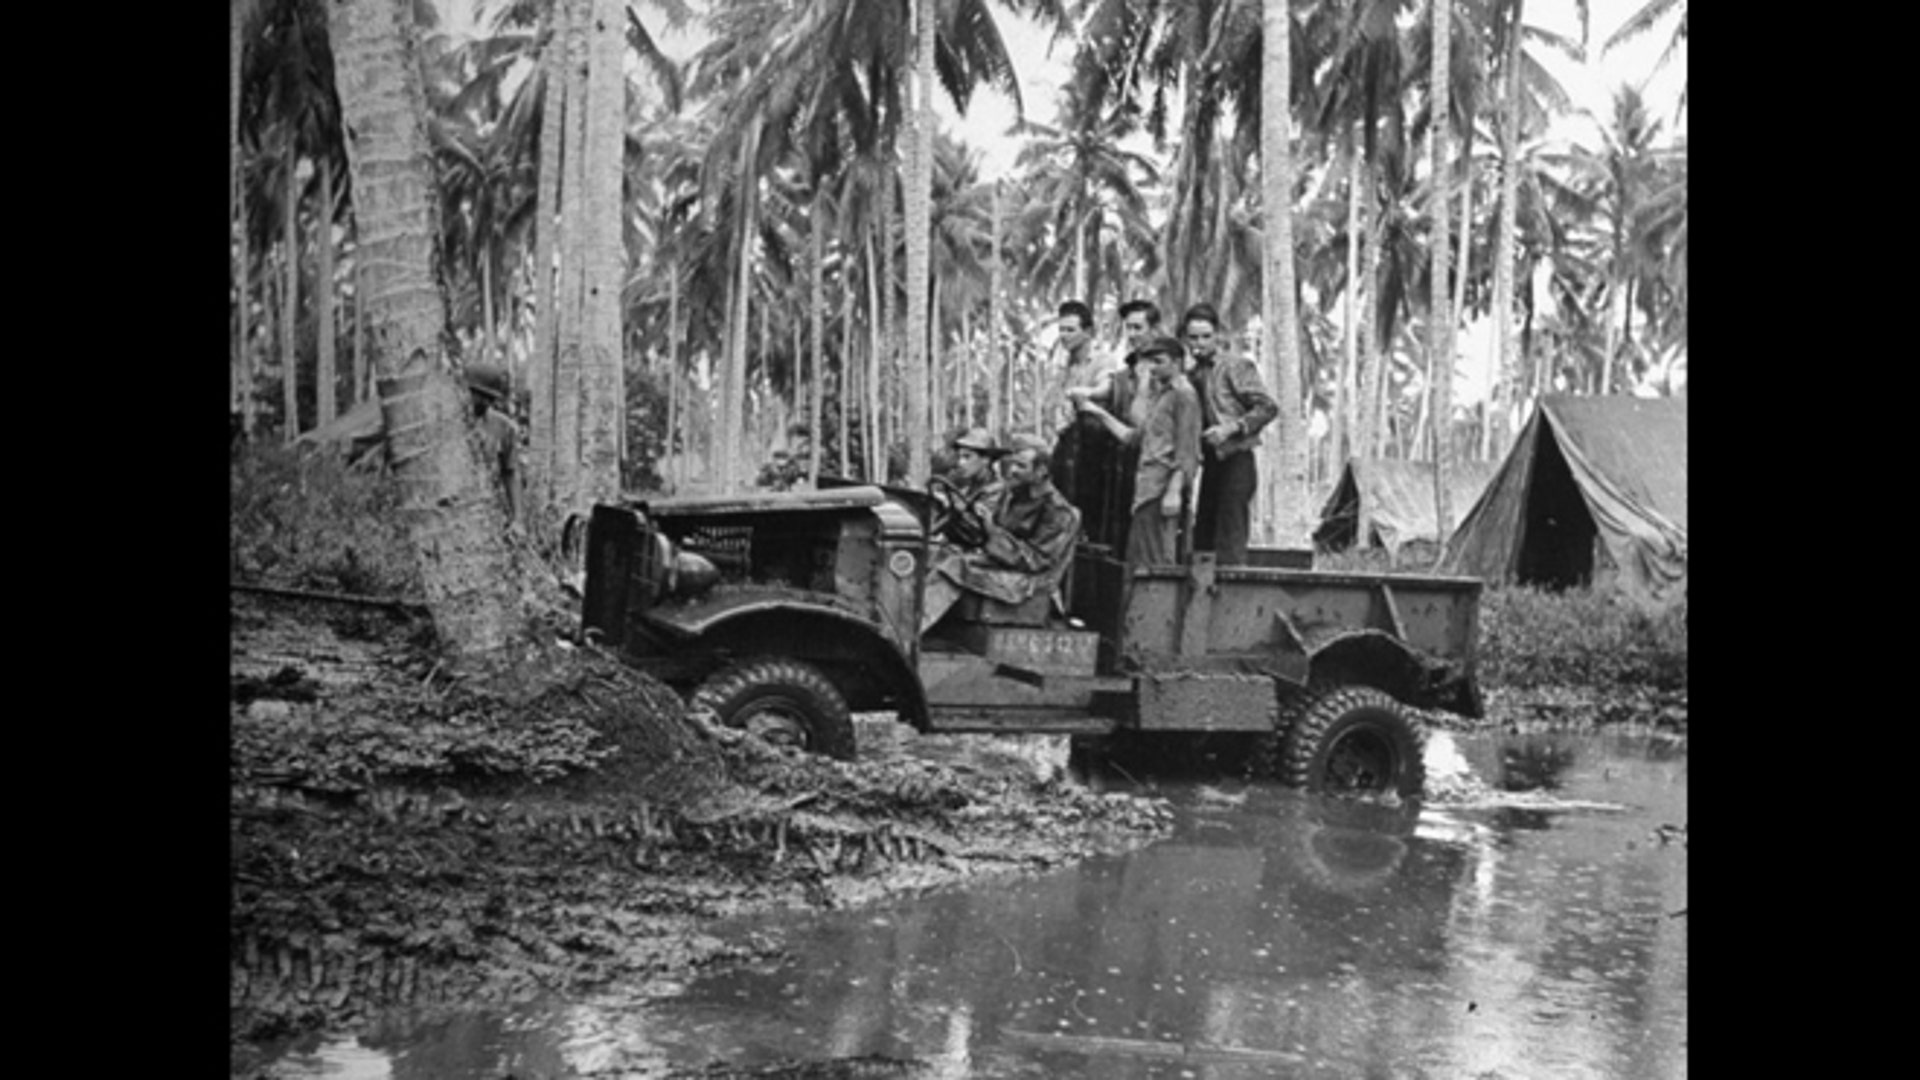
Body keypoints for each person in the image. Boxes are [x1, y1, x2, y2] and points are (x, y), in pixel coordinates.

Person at [920, 443, 1081, 633]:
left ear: (1041, 471)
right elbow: (984, 532)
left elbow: (1035, 560)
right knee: (931, 554)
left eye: (1021, 466)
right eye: (1012, 464)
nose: (1011, 471)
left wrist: (991, 532)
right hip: (1002, 565)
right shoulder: (1012, 495)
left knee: (954, 566)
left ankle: (910, 632)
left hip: (1029, 582)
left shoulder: (1057, 511)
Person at [1075, 333, 1201, 568]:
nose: (1153, 368)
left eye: (1159, 361)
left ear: (1177, 363)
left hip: (1161, 490)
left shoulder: (1184, 395)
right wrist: (1097, 413)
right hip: (1146, 489)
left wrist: (1173, 491)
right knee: (1140, 558)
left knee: (1157, 561)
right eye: (1150, 362)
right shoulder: (1161, 396)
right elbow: (1134, 437)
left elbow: (1187, 450)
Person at [1181, 303, 1277, 565]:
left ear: (1218, 336)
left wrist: (1231, 428)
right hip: (1211, 464)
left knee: (1230, 537)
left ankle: (1233, 597)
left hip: (1237, 459)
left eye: (1205, 336)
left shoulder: (1235, 366)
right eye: (1193, 337)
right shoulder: (1189, 376)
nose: (1199, 343)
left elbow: (1268, 407)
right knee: (1203, 536)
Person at [466, 363, 521, 524]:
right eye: (478, 395)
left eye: (489, 398)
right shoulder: (448, 421)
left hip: (488, 512)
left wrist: (518, 520)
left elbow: (511, 472)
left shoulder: (504, 427)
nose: (484, 401)